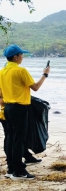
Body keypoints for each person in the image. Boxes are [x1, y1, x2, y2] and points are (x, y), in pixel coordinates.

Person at [0, 44, 50, 180]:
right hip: (19, 108)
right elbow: (35, 87)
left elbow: (1, 94)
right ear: (16, 57)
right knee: (19, 140)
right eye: (21, 55)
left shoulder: (2, 71)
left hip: (8, 108)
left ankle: (11, 169)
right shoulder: (20, 71)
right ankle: (19, 171)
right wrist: (45, 75)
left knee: (10, 138)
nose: (22, 57)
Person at [0, 95, 42, 179]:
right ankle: (14, 168)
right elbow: (1, 101)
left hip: (7, 111)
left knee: (16, 138)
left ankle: (25, 157)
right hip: (8, 112)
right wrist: (16, 100)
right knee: (12, 139)